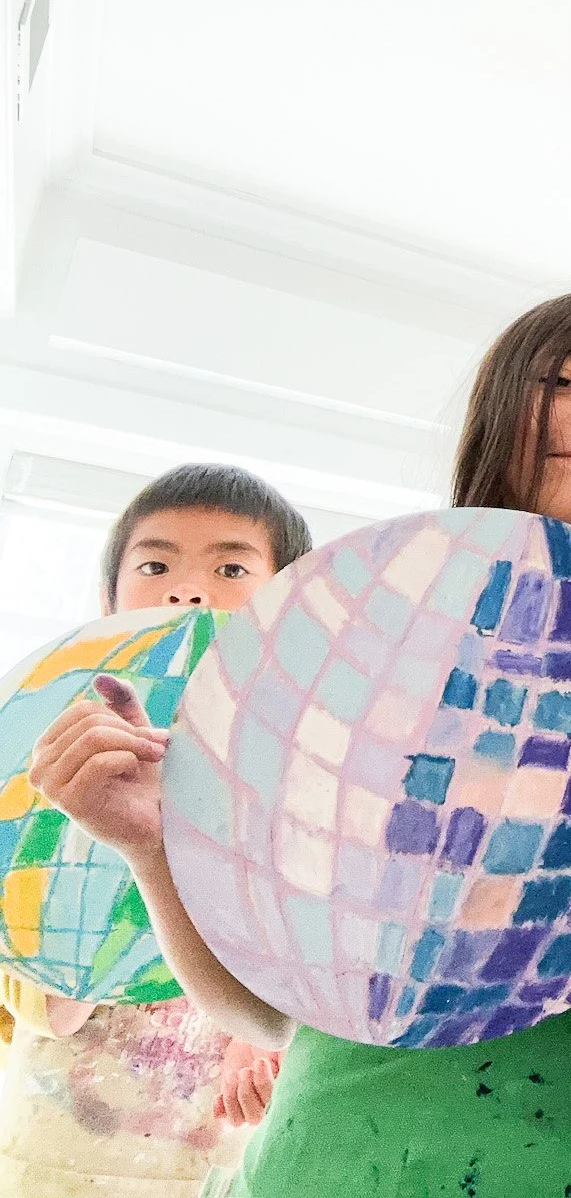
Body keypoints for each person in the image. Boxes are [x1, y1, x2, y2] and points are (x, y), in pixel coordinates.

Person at [29, 294, 571, 1198]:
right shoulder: (351, 644)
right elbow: (268, 1013)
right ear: (498, 410)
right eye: (562, 381)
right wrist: (148, 841)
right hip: (329, 1159)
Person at [0, 463, 311, 1196]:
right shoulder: (59, 769)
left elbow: (314, 997)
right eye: (154, 564)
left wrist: (262, 1038)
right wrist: (115, 839)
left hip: (219, 1168)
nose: (187, 589)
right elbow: (50, 1002)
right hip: (48, 1163)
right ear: (110, 600)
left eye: (231, 565)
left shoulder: (307, 790)